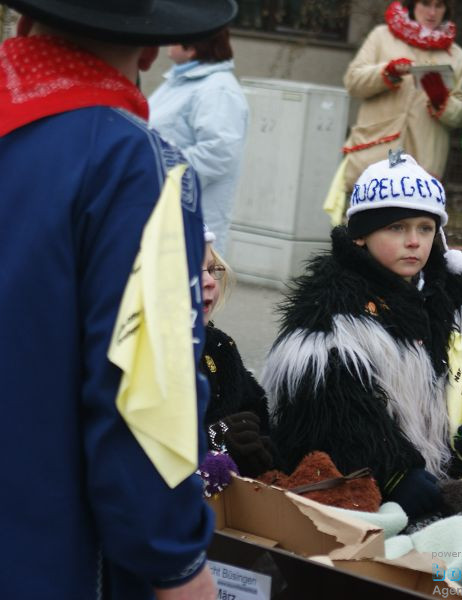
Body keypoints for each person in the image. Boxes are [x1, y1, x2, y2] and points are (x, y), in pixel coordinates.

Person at [0, 0, 237, 598]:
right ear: (151, 49)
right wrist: (178, 564)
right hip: (50, 558)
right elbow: (146, 396)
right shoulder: (135, 165)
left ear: (26, 25)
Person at [262, 151, 462, 519]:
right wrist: (394, 471)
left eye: (425, 228)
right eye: (397, 228)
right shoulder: (328, 312)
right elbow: (328, 412)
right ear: (361, 236)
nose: (414, 241)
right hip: (374, 489)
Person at [340, 0, 462, 191]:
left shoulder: (456, 56)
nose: (432, 13)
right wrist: (387, 72)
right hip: (375, 157)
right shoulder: (381, 37)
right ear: (412, 4)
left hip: (423, 166)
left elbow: (461, 115)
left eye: (439, 6)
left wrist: (442, 102)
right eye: (425, 4)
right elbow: (353, 82)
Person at [149, 27, 248, 255]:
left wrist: (157, 175)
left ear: (192, 48)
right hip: (166, 212)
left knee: (187, 285)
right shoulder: (179, 81)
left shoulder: (218, 90)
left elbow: (218, 154)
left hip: (191, 218)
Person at [199, 229, 274, 479]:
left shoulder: (220, 348)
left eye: (212, 269)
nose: (209, 282)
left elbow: (257, 414)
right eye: (190, 270)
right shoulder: (138, 359)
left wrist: (259, 451)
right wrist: (215, 439)